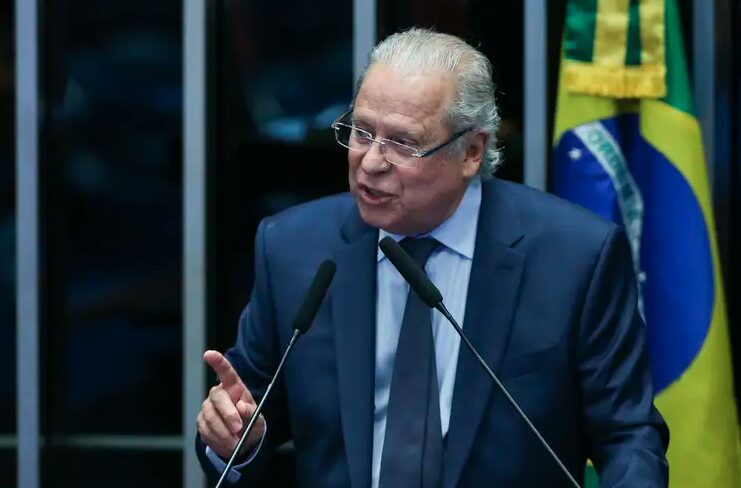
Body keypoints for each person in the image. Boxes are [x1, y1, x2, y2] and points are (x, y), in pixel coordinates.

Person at [195, 27, 669, 487]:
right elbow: (243, 419)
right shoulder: (294, 249)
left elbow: (627, 436)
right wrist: (235, 437)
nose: (371, 162)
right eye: (361, 132)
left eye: (402, 143)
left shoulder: (574, 257)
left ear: (471, 151)